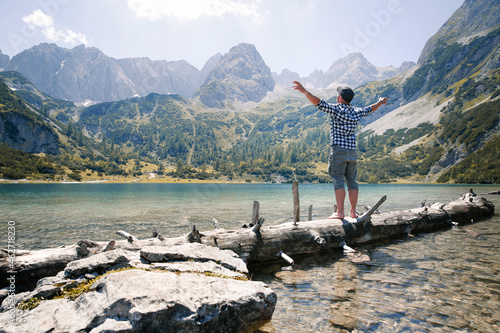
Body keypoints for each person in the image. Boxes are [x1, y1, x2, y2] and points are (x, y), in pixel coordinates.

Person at [292, 81, 388, 219]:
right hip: (352, 152)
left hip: (338, 151)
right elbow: (370, 109)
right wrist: (380, 102)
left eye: (338, 95)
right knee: (352, 181)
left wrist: (305, 91)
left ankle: (340, 212)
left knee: (338, 180)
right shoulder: (356, 112)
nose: (337, 96)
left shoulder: (336, 109)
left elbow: (319, 103)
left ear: (340, 98)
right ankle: (353, 212)